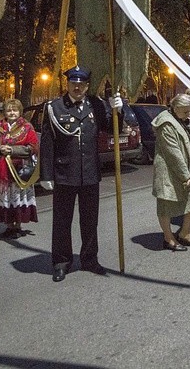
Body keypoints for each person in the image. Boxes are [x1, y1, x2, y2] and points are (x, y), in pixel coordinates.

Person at [40, 65, 122, 282]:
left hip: (90, 173)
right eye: (74, 84)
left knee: (90, 220)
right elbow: (47, 143)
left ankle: (89, 258)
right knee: (62, 221)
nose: (77, 87)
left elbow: (112, 128)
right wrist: (46, 174)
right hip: (64, 172)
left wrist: (117, 110)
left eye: (81, 84)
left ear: (87, 86)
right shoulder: (54, 107)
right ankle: (61, 261)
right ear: (67, 84)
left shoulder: (95, 105)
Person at [152, 94, 190, 251]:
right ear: (175, 108)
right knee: (165, 204)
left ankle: (184, 233)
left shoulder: (182, 120)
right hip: (168, 171)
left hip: (184, 170)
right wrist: (186, 175)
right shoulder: (166, 123)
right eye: (185, 112)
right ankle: (168, 239)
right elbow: (173, 153)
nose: (188, 115)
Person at [0, 98, 39, 239]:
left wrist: (12, 150)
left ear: (20, 111)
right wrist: (0, 149)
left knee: (17, 197)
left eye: (15, 110)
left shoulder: (27, 127)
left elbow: (33, 147)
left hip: (19, 170)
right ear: (4, 111)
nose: (12, 112)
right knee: (6, 198)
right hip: (1, 171)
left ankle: (17, 226)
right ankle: (8, 226)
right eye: (9, 110)